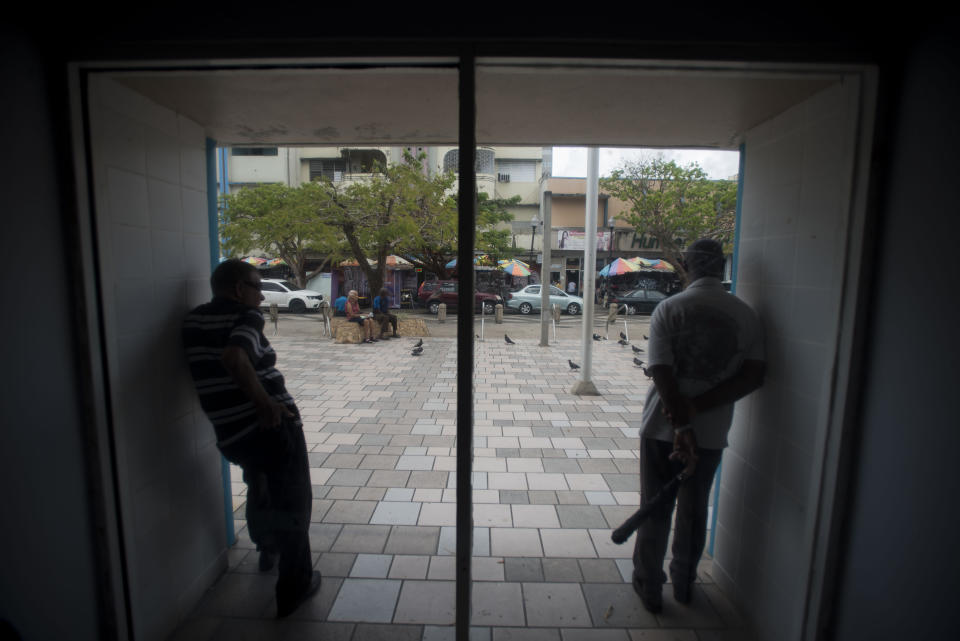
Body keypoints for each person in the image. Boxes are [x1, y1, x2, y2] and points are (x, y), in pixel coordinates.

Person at [632, 238, 765, 614]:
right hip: (711, 433)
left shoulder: (670, 309)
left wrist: (679, 417)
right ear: (721, 266)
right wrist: (697, 411)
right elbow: (753, 376)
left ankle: (649, 587)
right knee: (694, 509)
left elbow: (660, 370)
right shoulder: (745, 315)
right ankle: (685, 583)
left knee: (656, 509)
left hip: (660, 430)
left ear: (687, 267)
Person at [181, 259, 320, 618]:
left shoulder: (194, 319)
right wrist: (266, 405)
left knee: (258, 488)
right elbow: (234, 357)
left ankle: (266, 547)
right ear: (239, 289)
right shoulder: (246, 317)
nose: (262, 294)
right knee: (293, 502)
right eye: (258, 287)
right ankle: (295, 585)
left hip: (231, 434)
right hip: (269, 429)